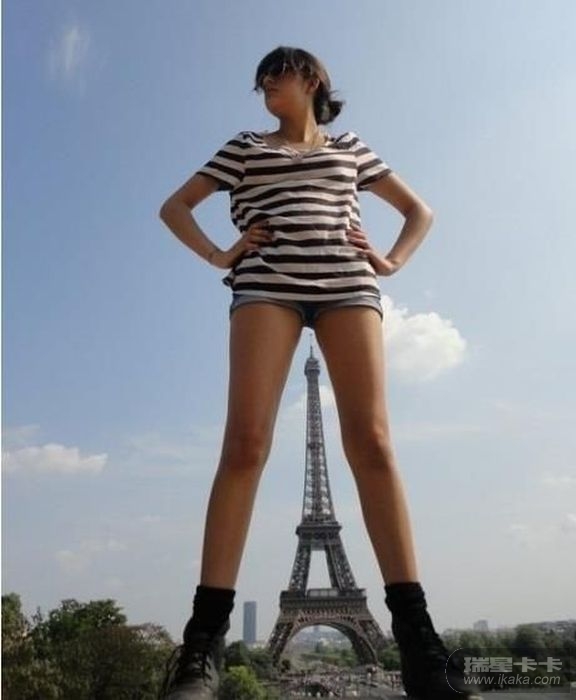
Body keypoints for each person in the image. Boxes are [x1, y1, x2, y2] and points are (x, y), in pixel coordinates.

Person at [159, 46, 481, 700]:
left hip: (348, 285)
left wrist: (390, 261)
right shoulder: (245, 147)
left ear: (310, 80)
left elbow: (419, 211)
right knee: (245, 444)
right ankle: (203, 643)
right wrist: (221, 253)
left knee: (374, 443)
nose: (263, 90)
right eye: (259, 83)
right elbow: (176, 207)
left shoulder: (352, 148)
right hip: (266, 285)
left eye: (273, 77)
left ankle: (419, 642)